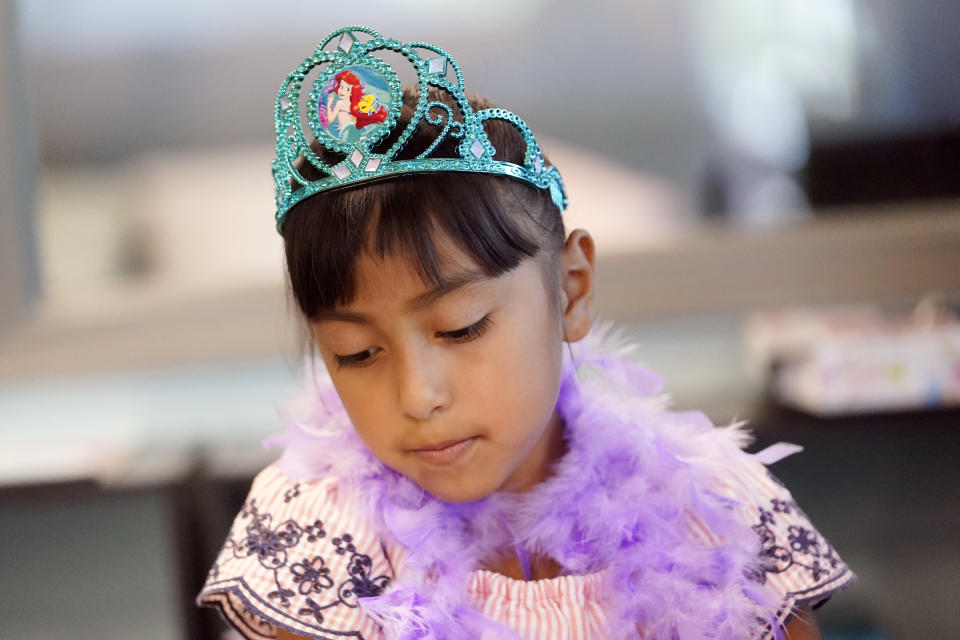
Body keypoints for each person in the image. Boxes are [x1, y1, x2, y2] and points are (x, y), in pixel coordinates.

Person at [198, 26, 853, 640]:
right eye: (357, 352)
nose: (417, 395)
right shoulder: (322, 536)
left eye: (460, 328)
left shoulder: (715, 510)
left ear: (571, 289)